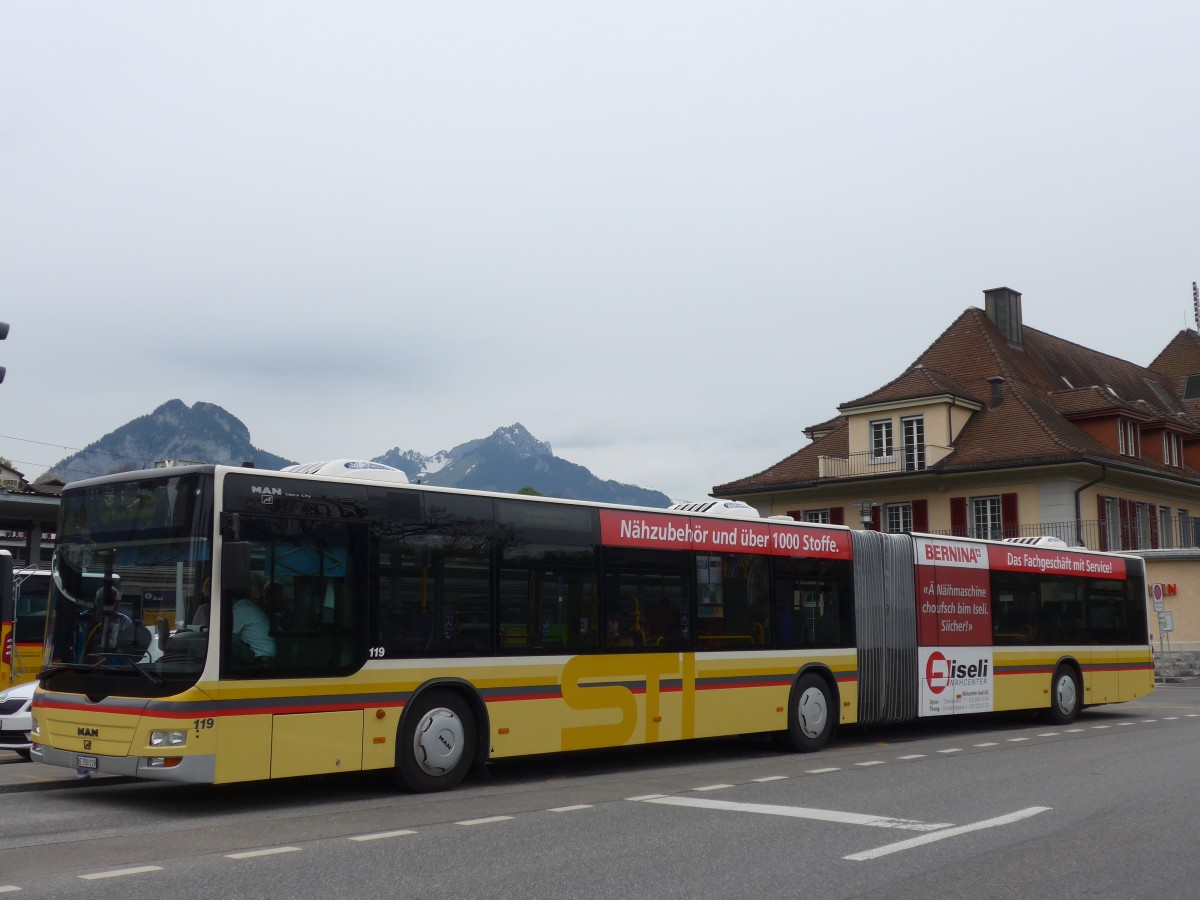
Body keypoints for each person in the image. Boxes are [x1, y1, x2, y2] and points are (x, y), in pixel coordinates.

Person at [231, 595, 276, 664]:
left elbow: (227, 637)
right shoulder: (248, 606)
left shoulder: (240, 609)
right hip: (268, 656)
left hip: (261, 659)